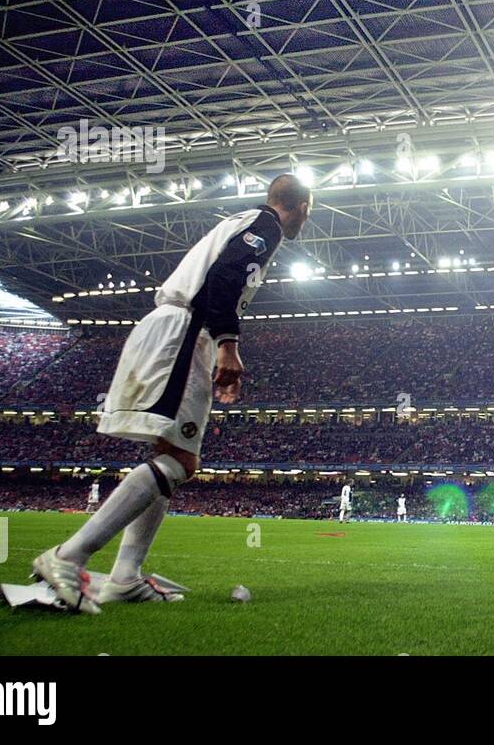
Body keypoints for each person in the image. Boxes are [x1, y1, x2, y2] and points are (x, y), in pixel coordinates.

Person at [30, 174, 311, 613]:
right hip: (186, 332)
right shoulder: (267, 225)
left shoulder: (240, 220)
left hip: (175, 327)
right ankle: (69, 556)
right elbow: (226, 277)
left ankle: (124, 578)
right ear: (299, 206)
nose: (305, 220)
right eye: (307, 212)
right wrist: (227, 345)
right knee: (181, 461)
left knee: (170, 450)